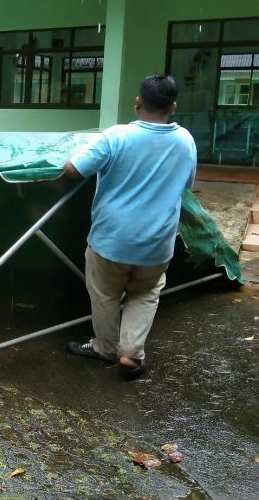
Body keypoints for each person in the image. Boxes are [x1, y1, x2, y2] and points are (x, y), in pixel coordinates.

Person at [64, 75, 197, 380]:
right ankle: (131, 355)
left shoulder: (116, 136)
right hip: (157, 242)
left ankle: (105, 348)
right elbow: (187, 184)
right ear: (173, 107)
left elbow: (72, 169)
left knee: (105, 294)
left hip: (111, 239)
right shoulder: (185, 140)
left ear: (138, 102)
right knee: (146, 292)